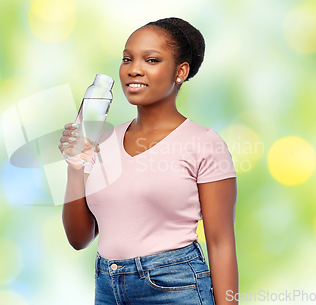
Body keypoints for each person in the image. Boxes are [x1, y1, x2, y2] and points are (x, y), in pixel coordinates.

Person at [59, 17, 238, 305]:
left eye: (151, 60)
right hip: (108, 287)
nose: (134, 70)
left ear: (180, 71)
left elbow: (221, 244)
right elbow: (79, 238)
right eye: (127, 59)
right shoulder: (102, 142)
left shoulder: (204, 143)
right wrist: (75, 165)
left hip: (176, 287)